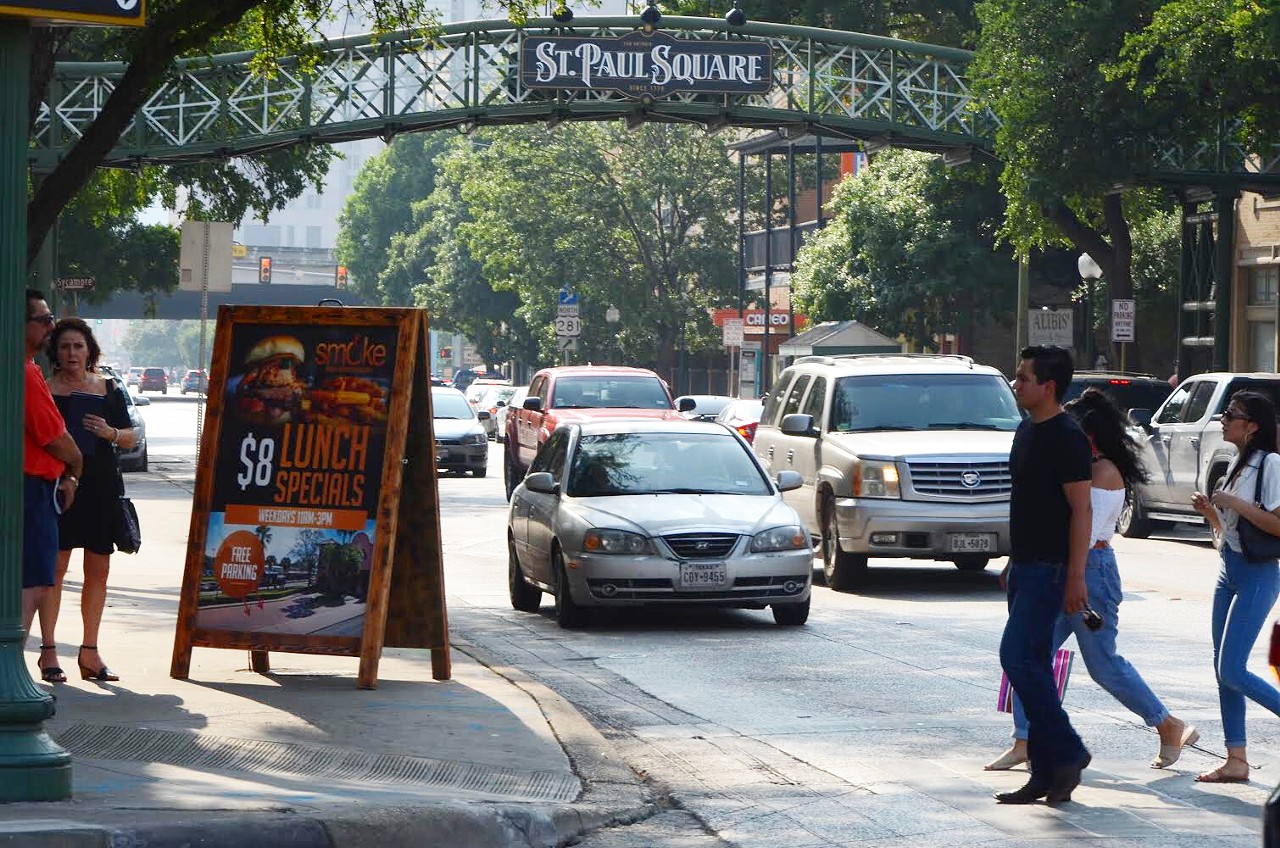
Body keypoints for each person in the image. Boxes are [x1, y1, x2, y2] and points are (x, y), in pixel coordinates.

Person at [986, 389, 1198, 773]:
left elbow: (1080, 532)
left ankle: (1167, 725)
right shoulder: (1079, 467)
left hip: (1088, 574)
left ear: (1088, 435)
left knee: (1103, 665)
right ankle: (1025, 740)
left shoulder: (1104, 473)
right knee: (1029, 656)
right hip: (1059, 569)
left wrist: (1072, 581)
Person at [995, 345, 1093, 805]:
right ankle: (1046, 772)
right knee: (1029, 663)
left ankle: (1069, 750)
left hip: (1052, 569)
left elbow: (1081, 509)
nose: (1016, 384)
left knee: (1016, 657)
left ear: (1048, 387)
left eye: (1023, 377)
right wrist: (1014, 560)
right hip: (1026, 565)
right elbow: (1027, 505)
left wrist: (1076, 575)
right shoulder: (1025, 430)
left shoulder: (1068, 436)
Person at [37, 317, 136, 683]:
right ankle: (48, 651)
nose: (72, 353)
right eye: (65, 347)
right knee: (54, 570)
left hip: (101, 487)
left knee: (99, 571)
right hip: (61, 485)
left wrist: (109, 432)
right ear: (56, 353)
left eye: (78, 346)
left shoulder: (108, 387)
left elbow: (131, 437)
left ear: (90, 350)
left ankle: (90, 652)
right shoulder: (46, 389)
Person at [1190, 390, 1280, 783]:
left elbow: (1276, 525)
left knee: (1232, 668)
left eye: (1231, 414)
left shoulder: (1271, 464)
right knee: (1220, 668)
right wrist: (1212, 511)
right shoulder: (1237, 464)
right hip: (1229, 570)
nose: (1223, 419)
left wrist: (1233, 502)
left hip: (1258, 575)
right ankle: (1236, 759)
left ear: (1253, 426)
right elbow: (1231, 531)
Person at [22, 291, 83, 679]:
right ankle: (9, 667)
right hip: (31, 488)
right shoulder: (26, 372)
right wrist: (76, 462)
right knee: (35, 579)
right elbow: (52, 435)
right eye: (43, 319)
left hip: (30, 486)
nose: (50, 326)